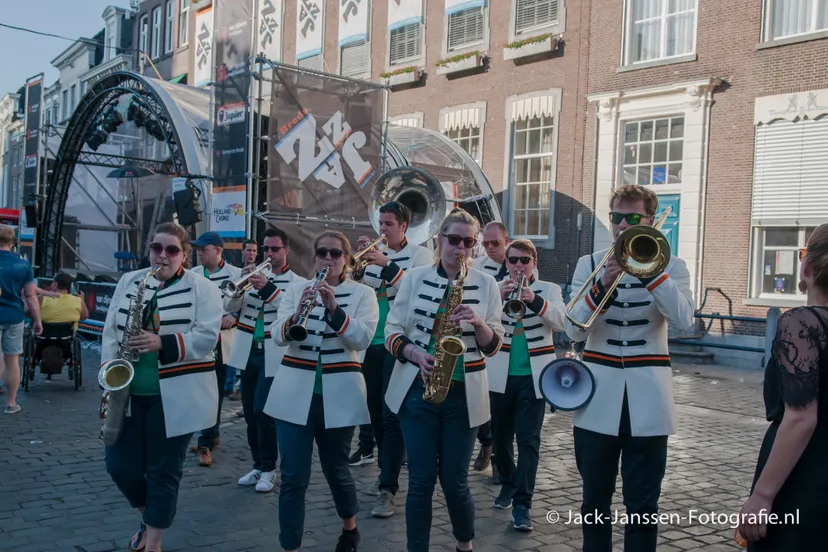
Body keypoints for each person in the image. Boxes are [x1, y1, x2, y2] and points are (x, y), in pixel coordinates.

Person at [564, 184, 694, 552]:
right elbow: (572, 328)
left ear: (650, 220)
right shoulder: (588, 264)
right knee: (594, 505)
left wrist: (652, 273)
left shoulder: (673, 266)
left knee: (642, 506)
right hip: (597, 401)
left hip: (649, 401)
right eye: (617, 218)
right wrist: (600, 285)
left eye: (633, 218)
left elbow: (685, 321)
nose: (623, 225)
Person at [384, 208, 505, 552]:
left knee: (455, 482)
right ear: (441, 239)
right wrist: (415, 354)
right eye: (454, 240)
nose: (461, 248)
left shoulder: (486, 284)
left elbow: (494, 345)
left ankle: (464, 545)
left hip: (465, 396)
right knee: (420, 482)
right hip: (417, 392)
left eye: (469, 242)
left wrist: (479, 323)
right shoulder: (415, 277)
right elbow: (392, 331)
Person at [101, 222, 222, 552]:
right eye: (157, 248)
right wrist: (108, 369)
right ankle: (149, 516)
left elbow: (208, 338)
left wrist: (162, 341)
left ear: (184, 254)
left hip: (177, 395)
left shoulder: (203, 288)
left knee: (163, 472)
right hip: (127, 393)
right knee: (119, 467)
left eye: (171, 250)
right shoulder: (130, 280)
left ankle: (153, 543)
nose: (162, 255)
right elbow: (111, 329)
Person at [265, 230, 378, 552]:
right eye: (322, 253)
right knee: (292, 476)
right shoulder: (296, 288)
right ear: (314, 257)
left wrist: (334, 310)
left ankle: (350, 528)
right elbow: (276, 334)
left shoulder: (362, 294)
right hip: (292, 394)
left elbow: (362, 339)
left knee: (337, 470)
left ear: (347, 260)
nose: (328, 259)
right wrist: (297, 311)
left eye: (336, 254)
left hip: (340, 393)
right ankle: (290, 546)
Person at [737, 224, 828, 551]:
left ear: (806, 265)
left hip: (807, 474)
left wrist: (761, 496)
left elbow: (802, 418)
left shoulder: (803, 323)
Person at [352, 201, 432, 517]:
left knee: (390, 413)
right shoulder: (371, 256)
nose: (382, 229)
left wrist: (386, 264)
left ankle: (388, 487)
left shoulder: (421, 255)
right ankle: (388, 468)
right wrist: (357, 267)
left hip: (397, 340)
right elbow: (360, 289)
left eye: (387, 224)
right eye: (380, 223)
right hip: (371, 337)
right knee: (373, 410)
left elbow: (416, 291)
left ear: (403, 226)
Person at [488, 238, 567, 531]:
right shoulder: (493, 288)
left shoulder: (550, 290)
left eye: (524, 260)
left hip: (535, 377)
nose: (518, 266)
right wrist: (498, 293)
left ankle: (523, 503)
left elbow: (562, 322)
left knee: (529, 441)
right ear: (505, 263)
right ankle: (508, 483)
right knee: (500, 438)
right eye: (513, 260)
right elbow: (480, 322)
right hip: (500, 375)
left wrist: (534, 300)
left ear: (534, 263)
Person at [225, 227, 305, 493]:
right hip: (248, 350)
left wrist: (268, 288)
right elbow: (231, 308)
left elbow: (293, 311)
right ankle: (258, 464)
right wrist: (238, 291)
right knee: (249, 412)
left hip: (274, 353)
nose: (269, 254)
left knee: (263, 411)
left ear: (286, 250)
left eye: (274, 249)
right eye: (266, 249)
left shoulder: (296, 282)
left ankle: (270, 469)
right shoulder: (250, 275)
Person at [190, 231, 242, 466]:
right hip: (197, 339)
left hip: (221, 340)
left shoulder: (235, 274)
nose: (199, 252)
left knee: (214, 389)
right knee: (201, 389)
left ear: (218, 250)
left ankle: (206, 441)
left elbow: (248, 304)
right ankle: (210, 434)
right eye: (198, 249)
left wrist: (234, 316)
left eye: (204, 248)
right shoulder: (192, 274)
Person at [0, 224, 42, 413]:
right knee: (12, 359)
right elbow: (31, 297)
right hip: (14, 316)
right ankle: (11, 403)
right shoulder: (22, 264)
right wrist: (37, 320)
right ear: (12, 241)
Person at [38, 272, 88, 381]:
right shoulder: (77, 301)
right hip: (66, 340)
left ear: (55, 284)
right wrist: (82, 301)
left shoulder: (42, 298)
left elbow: (31, 313)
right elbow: (84, 316)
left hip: (42, 338)